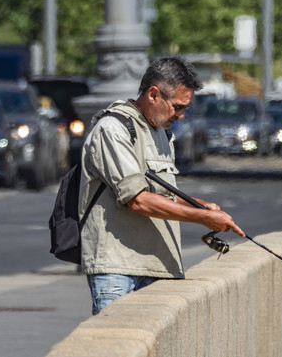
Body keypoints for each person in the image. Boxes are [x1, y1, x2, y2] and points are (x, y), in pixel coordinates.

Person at [79, 56, 245, 315]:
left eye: (185, 108)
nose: (181, 115)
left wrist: (202, 206)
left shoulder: (161, 132)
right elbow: (139, 200)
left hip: (158, 266)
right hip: (118, 269)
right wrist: (203, 218)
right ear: (154, 94)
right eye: (177, 107)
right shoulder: (112, 129)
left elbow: (163, 195)